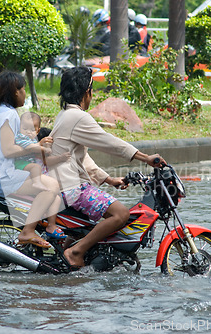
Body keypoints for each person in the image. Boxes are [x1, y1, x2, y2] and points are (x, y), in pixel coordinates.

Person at [49, 66, 167, 269]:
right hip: (71, 186)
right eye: (92, 90)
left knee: (94, 221)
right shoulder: (78, 117)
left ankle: (72, 253)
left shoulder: (65, 114)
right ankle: (76, 251)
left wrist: (109, 180)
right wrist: (146, 157)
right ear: (87, 91)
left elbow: (82, 157)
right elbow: (109, 142)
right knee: (121, 214)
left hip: (61, 183)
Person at [0, 71, 61, 248]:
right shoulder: (10, 115)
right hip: (1, 176)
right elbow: (9, 150)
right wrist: (37, 148)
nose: (25, 94)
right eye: (23, 89)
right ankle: (27, 232)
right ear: (16, 92)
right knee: (52, 186)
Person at [14, 111, 69, 239]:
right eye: (25, 128)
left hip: (32, 171)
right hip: (22, 168)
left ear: (37, 131)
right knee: (36, 168)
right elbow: (30, 148)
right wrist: (42, 145)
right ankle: (30, 229)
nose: (28, 131)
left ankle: (51, 225)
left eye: (32, 129)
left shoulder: (33, 140)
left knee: (57, 197)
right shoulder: (21, 139)